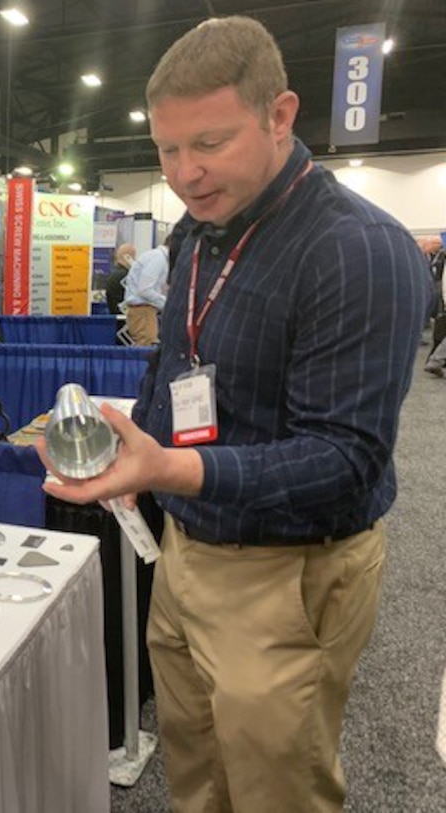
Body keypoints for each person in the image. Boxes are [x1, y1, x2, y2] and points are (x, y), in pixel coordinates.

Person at [36, 16, 428, 813]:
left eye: (209, 143)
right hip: (186, 552)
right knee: (198, 780)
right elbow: (178, 364)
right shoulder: (201, 232)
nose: (185, 172)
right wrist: (130, 443)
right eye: (169, 150)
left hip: (288, 575)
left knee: (277, 792)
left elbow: (343, 458)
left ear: (279, 115)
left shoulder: (355, 250)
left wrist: (168, 467)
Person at [121, 235, 171, 345]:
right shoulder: (159, 259)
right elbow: (145, 290)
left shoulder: (155, 257)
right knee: (146, 349)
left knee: (146, 347)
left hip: (144, 311)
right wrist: (167, 303)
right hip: (143, 311)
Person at [105, 242, 136, 316]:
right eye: (134, 257)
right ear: (128, 257)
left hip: (116, 318)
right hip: (124, 318)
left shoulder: (115, 274)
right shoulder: (125, 276)